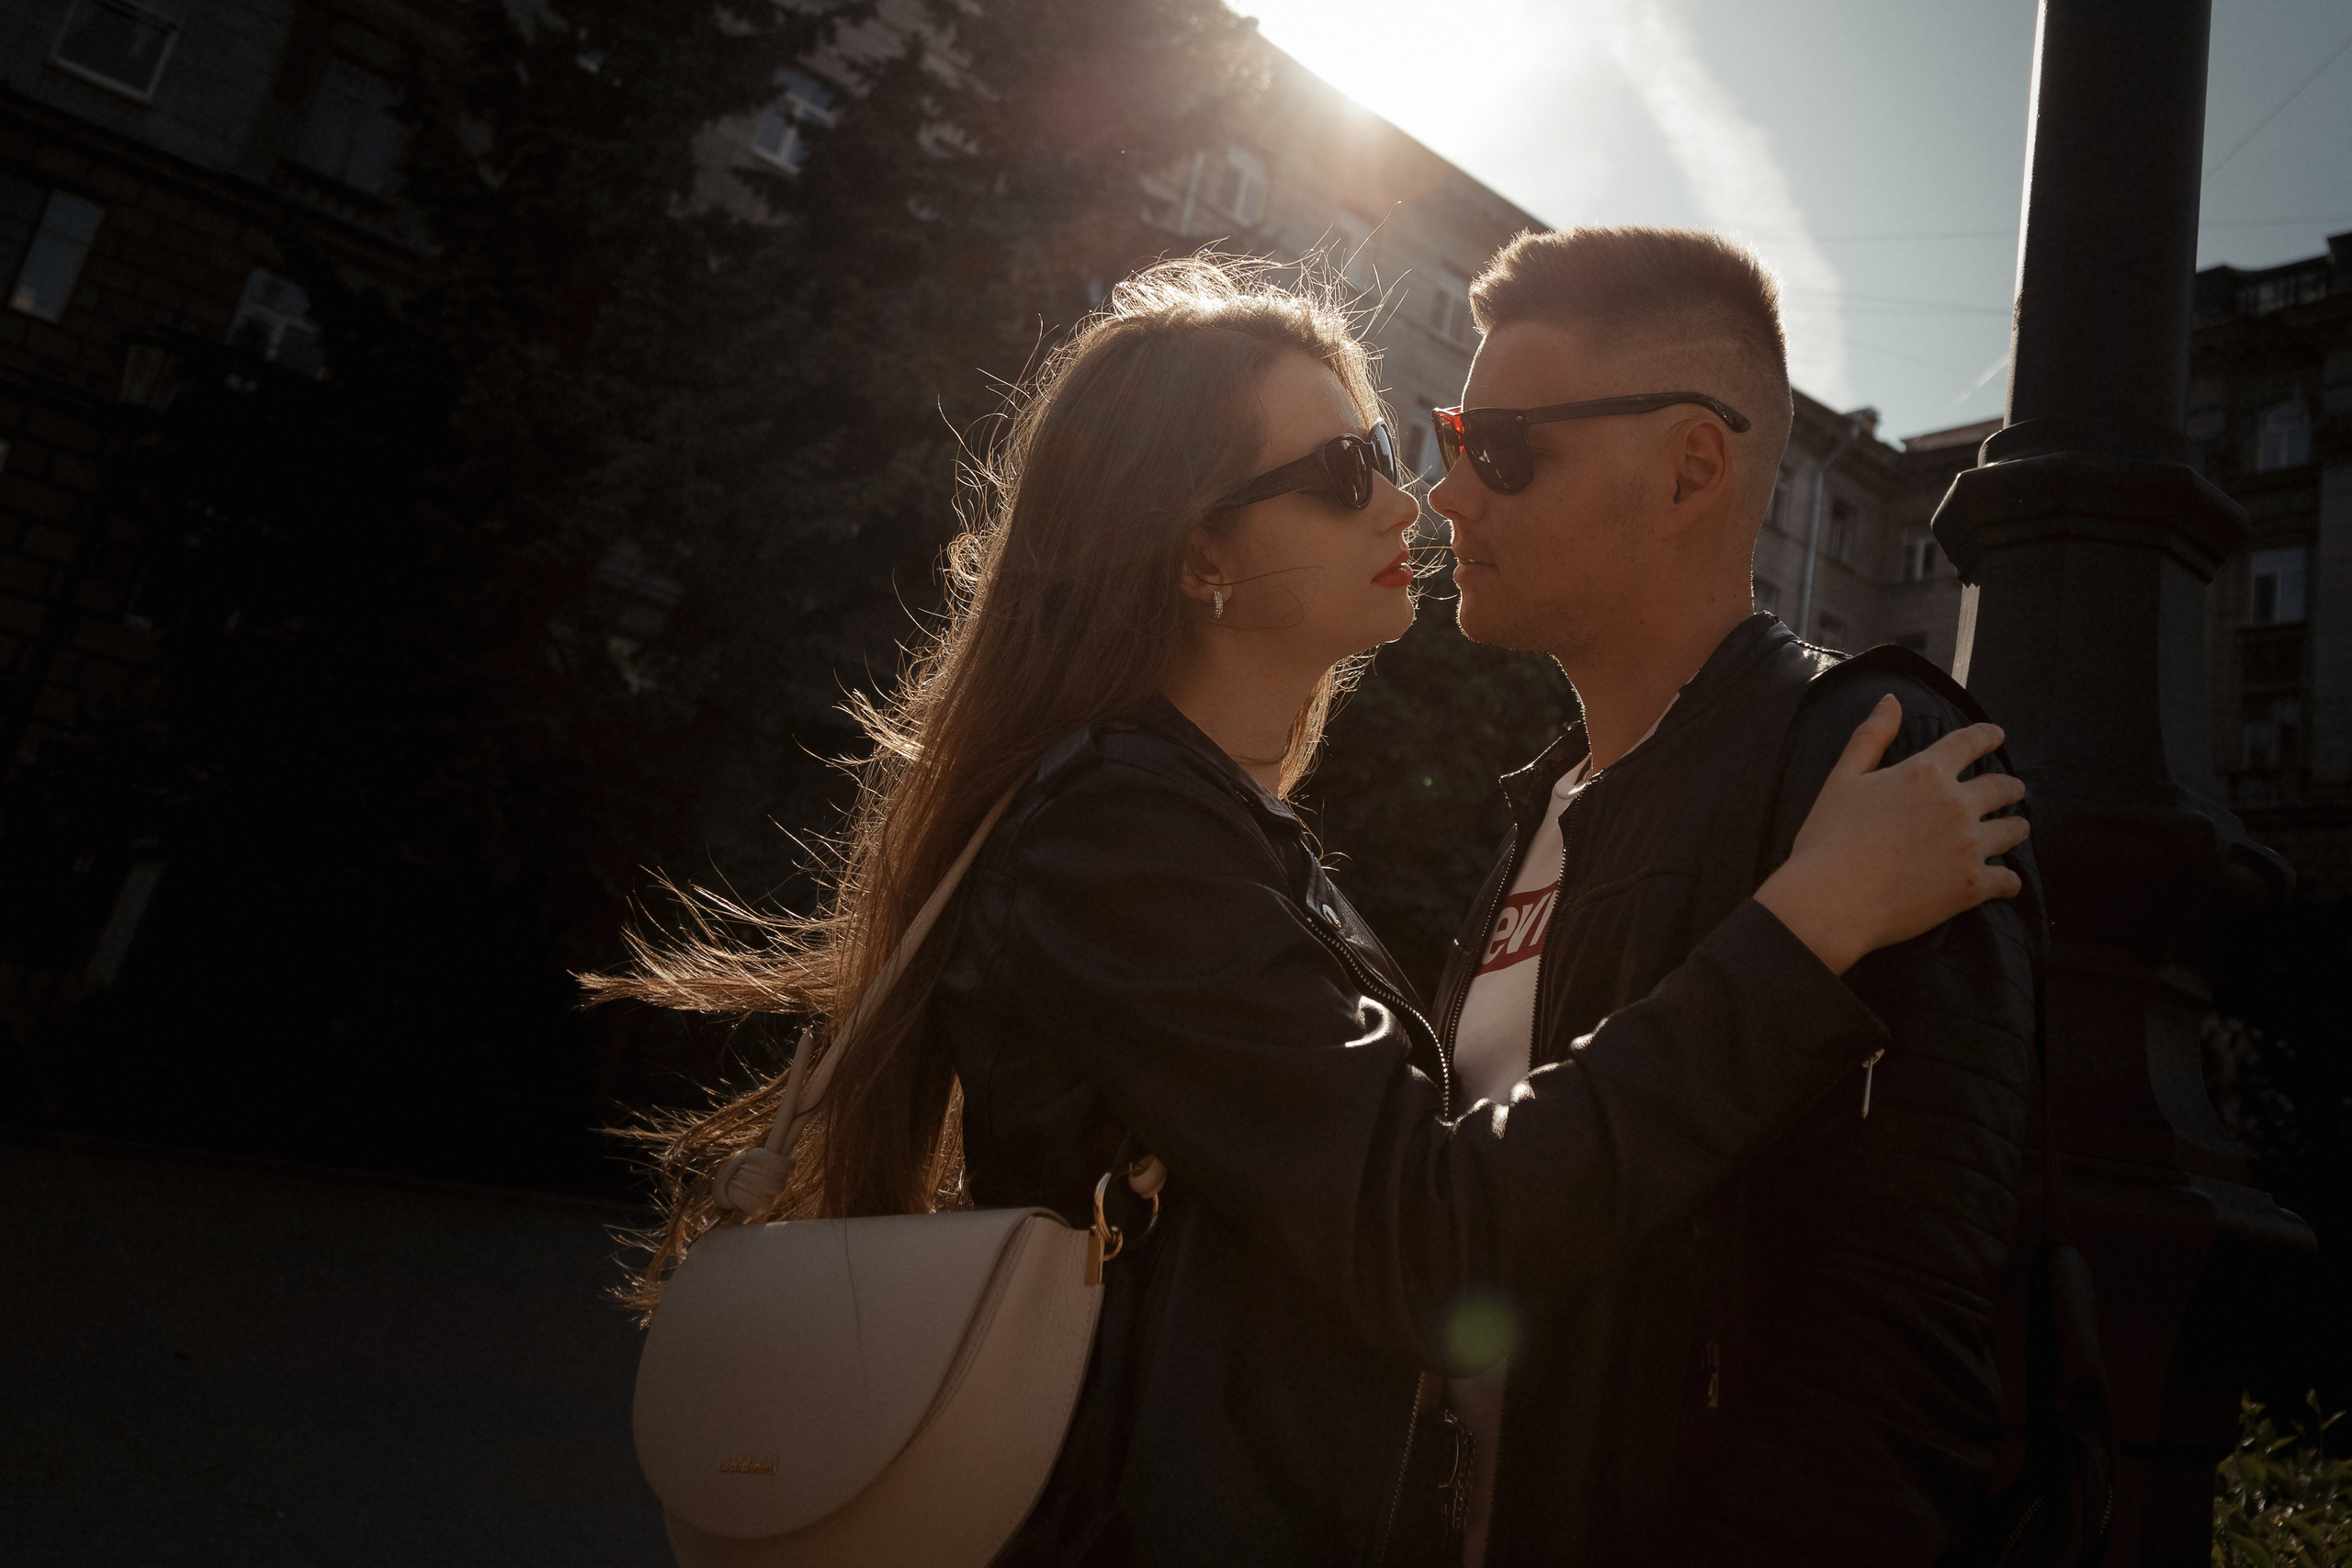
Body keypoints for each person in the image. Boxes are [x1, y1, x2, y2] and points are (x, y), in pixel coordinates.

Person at [594, 256, 2030, 1567]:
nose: (1419, 502)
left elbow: (1894, 1340)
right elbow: (1433, 1233)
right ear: (1196, 554)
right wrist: (1802, 931)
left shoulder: (1241, 835)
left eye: (1427, 455)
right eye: (1356, 469)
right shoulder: (1120, 832)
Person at [1424, 225, 2041, 1566]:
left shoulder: (1875, 762)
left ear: (1691, 467)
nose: (1448, 494)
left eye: (1503, 449)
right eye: (1453, 436)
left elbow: (1895, 1364)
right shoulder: (1545, 804)